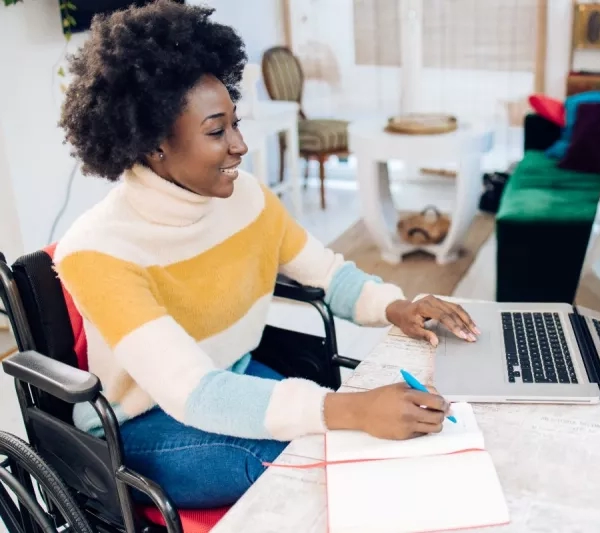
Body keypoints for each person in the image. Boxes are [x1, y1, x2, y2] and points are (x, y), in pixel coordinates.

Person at [54, 0, 480, 509]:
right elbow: (194, 392)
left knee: (355, 444)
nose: (239, 146)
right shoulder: (99, 248)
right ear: (152, 145)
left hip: (233, 375)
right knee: (321, 468)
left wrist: (398, 307)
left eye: (236, 123)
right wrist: (351, 409)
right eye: (217, 131)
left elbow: (328, 276)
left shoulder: (248, 200)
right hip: (144, 426)